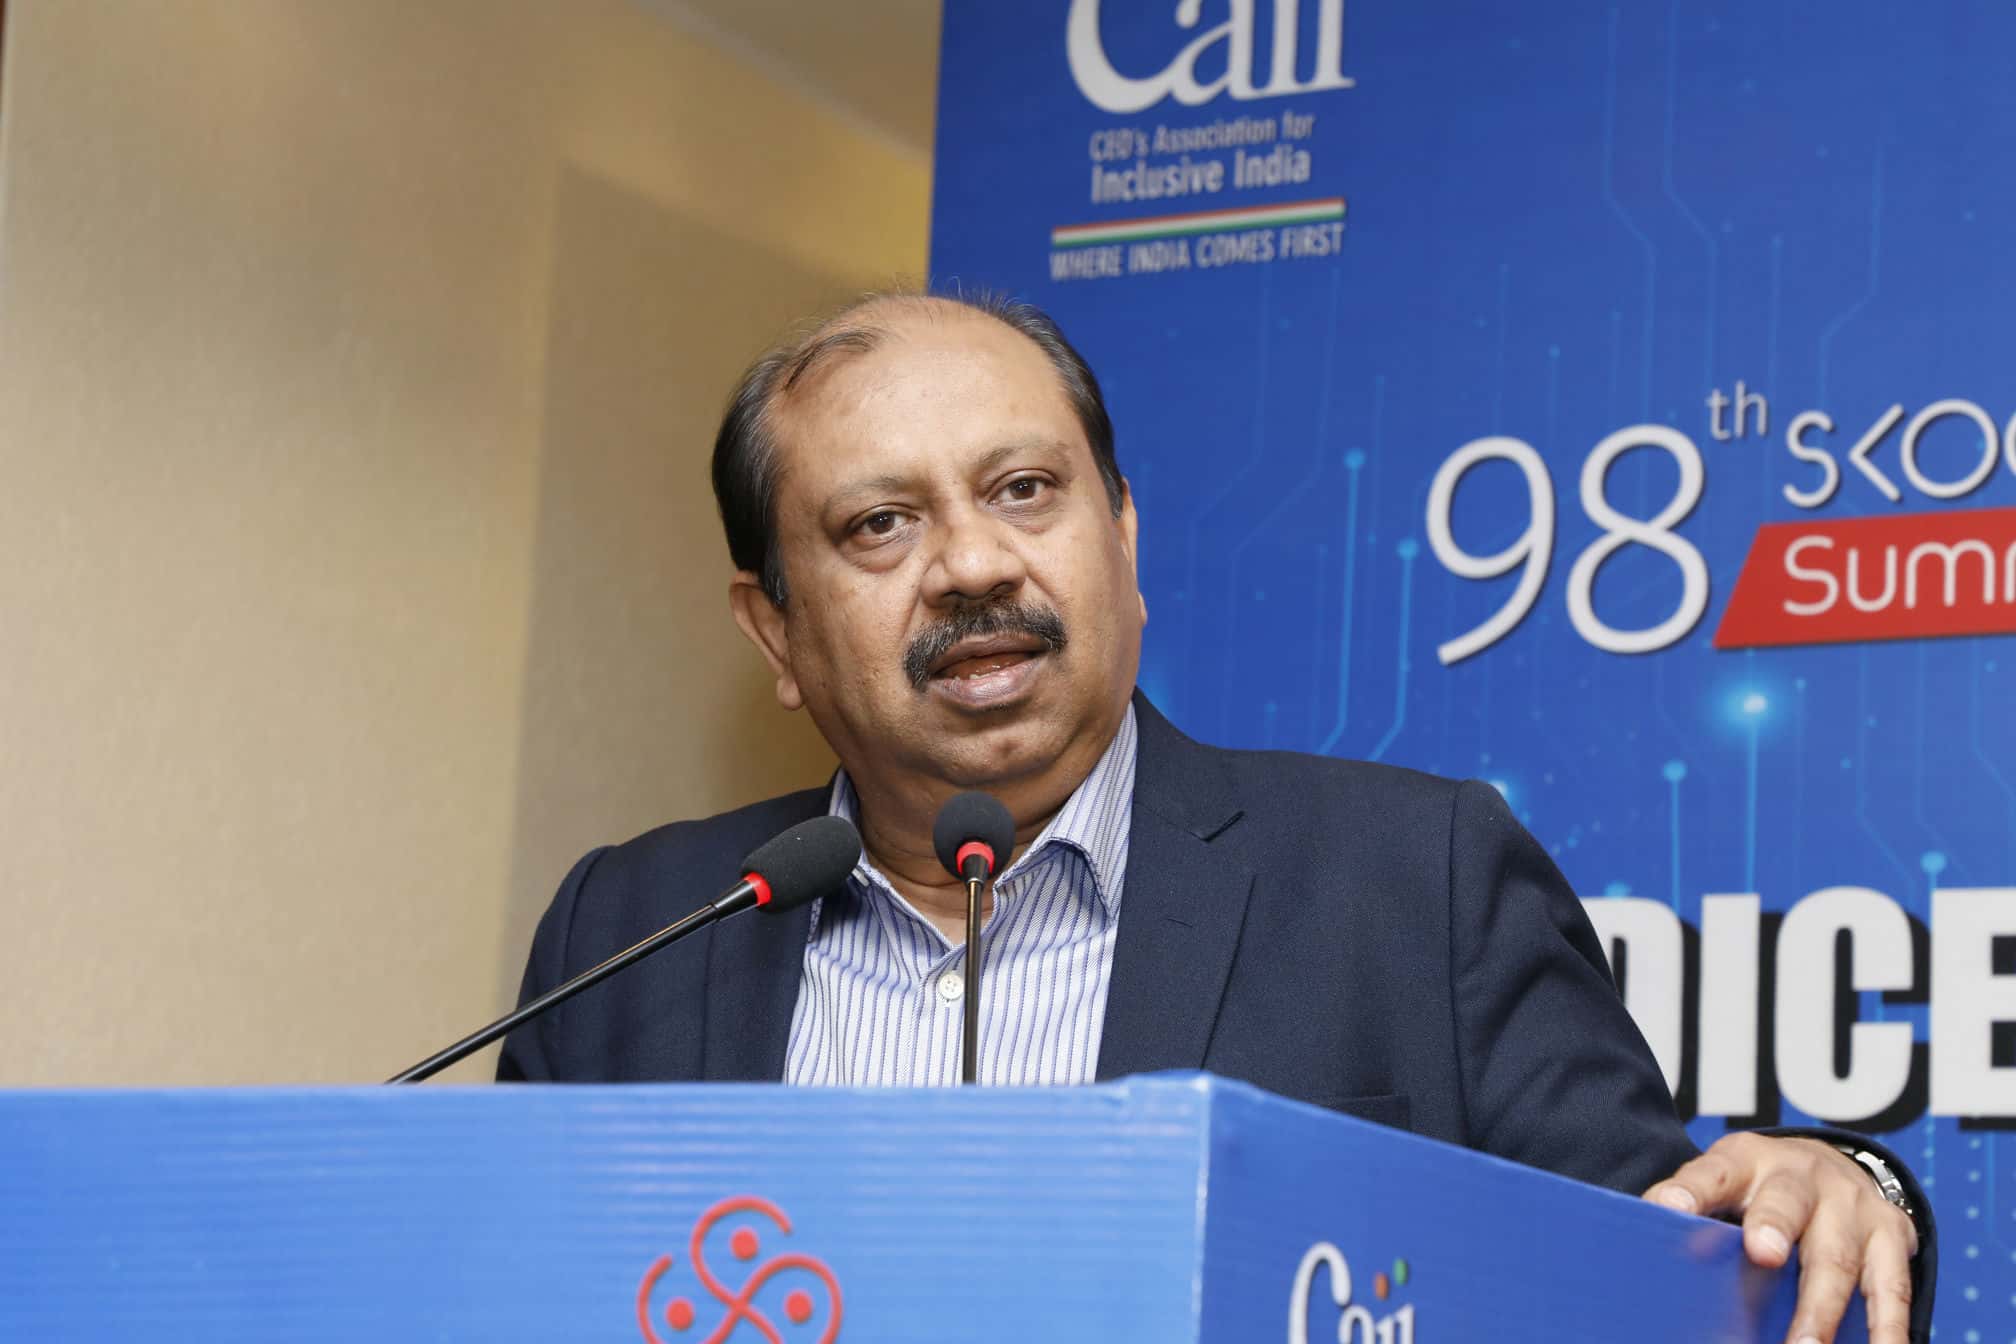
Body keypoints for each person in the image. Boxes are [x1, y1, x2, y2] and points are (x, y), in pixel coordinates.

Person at [500, 290, 1933, 1343]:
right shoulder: (630, 928)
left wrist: (1845, 1183)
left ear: (1122, 540)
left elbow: (1673, 1257)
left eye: (1024, 490)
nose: (972, 564)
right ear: (775, 633)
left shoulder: (1413, 878)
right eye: (881, 524)